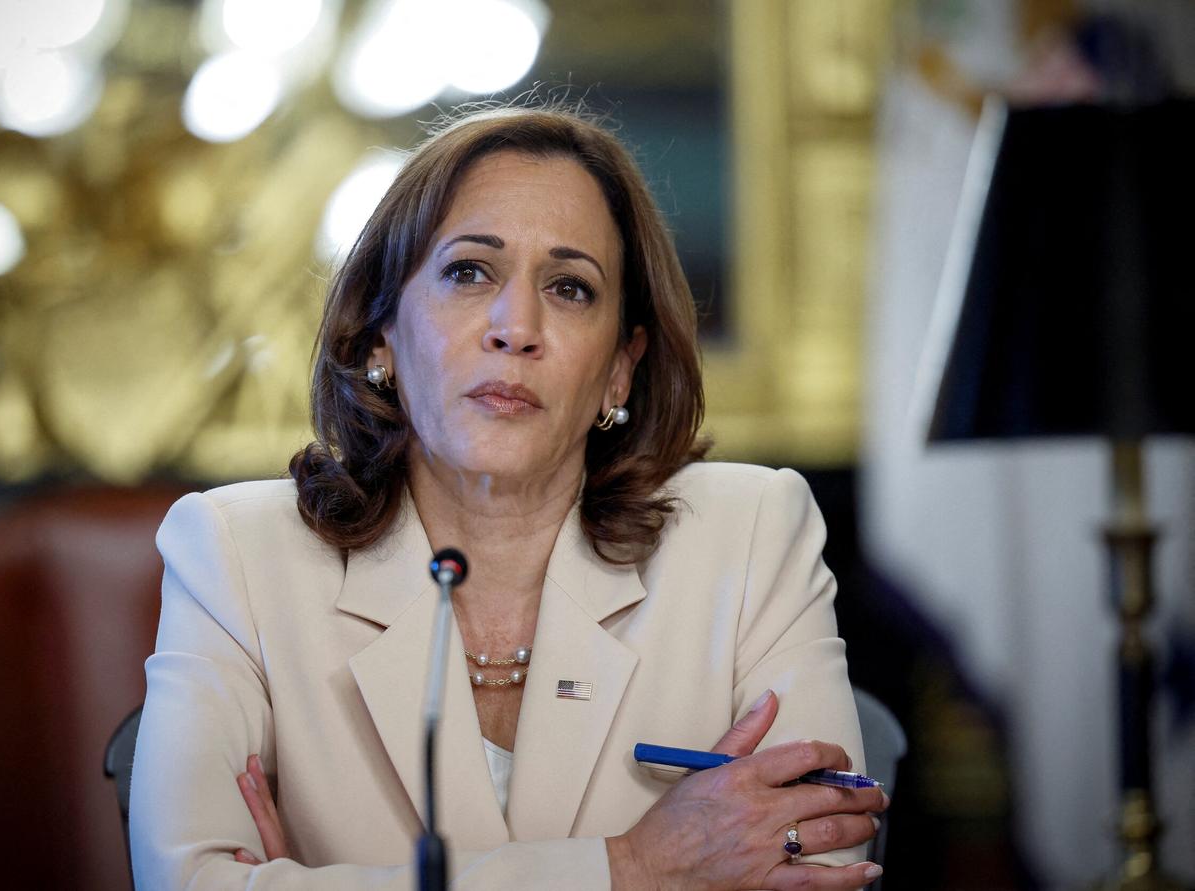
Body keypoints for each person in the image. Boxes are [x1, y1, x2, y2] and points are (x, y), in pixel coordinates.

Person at [129, 103, 886, 890]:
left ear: (620, 368)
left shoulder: (751, 534)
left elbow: (822, 867)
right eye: (469, 272)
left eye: (569, 287)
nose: (515, 326)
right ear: (383, 331)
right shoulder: (237, 554)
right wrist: (636, 866)